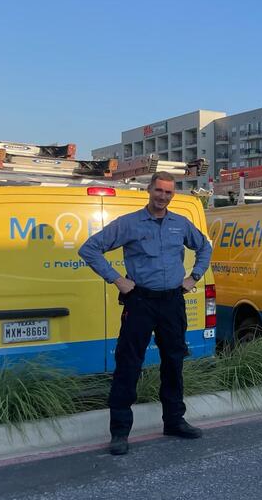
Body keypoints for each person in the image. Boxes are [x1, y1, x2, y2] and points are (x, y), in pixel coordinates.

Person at [79, 171, 212, 455]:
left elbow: (204, 247)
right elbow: (89, 249)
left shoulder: (180, 224)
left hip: (172, 302)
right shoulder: (129, 224)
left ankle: (174, 421)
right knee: (129, 363)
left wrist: (195, 277)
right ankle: (119, 432)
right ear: (149, 190)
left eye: (168, 192)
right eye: (158, 191)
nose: (162, 196)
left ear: (172, 195)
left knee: (174, 362)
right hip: (140, 301)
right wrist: (117, 279)